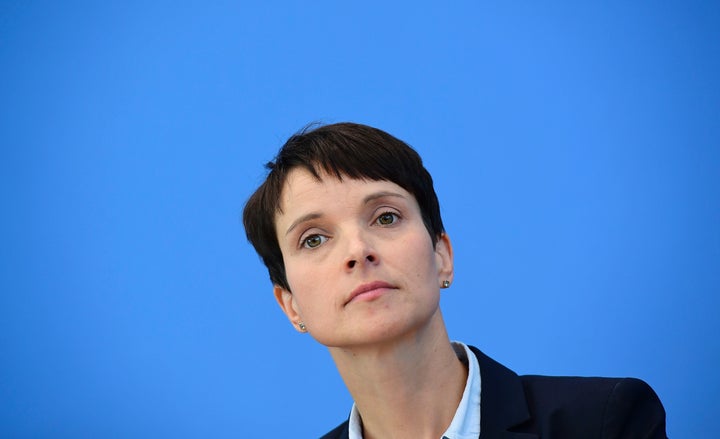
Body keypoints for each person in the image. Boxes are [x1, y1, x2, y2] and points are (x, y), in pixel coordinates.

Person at [242, 122, 667, 439]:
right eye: (314, 239)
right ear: (290, 305)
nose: (357, 250)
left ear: (442, 254)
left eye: (386, 217)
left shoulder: (603, 421)